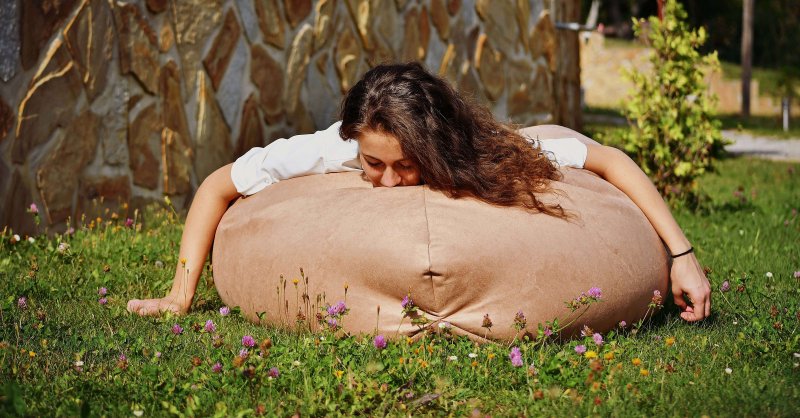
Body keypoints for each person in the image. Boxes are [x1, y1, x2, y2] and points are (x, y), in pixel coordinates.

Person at [127, 63, 711, 322]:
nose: (385, 182)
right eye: (372, 164)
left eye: (405, 166)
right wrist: (181, 296)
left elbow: (607, 160)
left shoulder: (477, 145)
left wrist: (683, 258)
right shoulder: (331, 146)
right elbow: (214, 187)